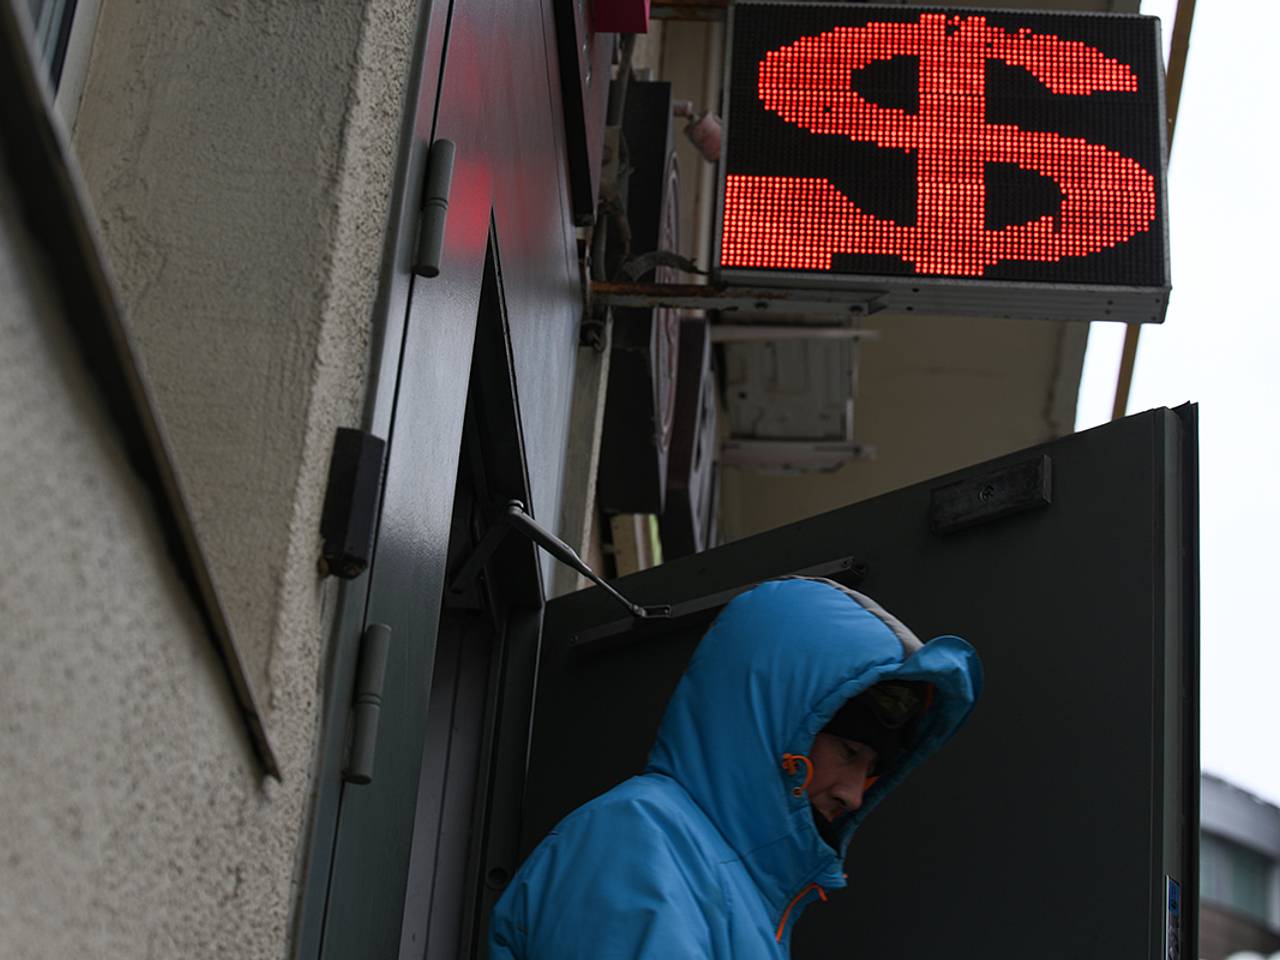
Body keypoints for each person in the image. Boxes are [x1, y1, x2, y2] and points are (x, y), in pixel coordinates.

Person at [488, 577, 983, 958]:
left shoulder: (734, 891)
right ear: (773, 725)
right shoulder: (638, 839)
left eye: (872, 768)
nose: (853, 795)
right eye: (849, 752)